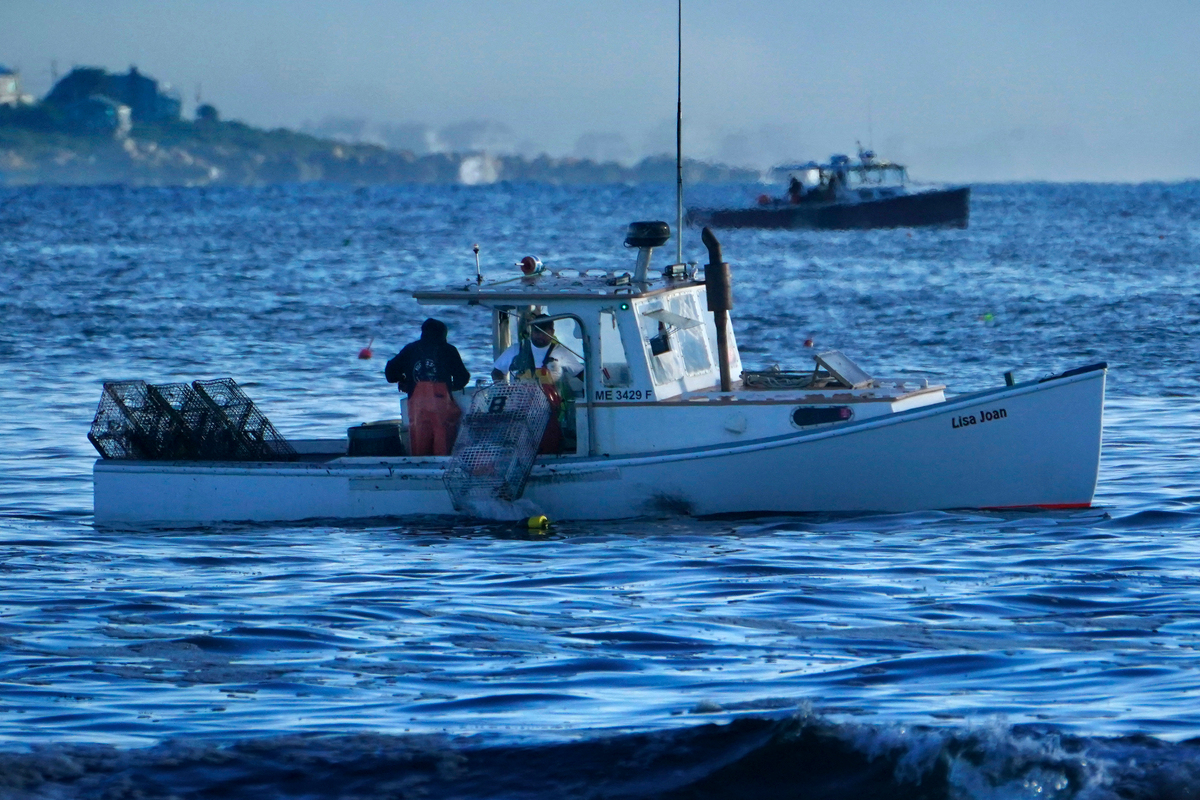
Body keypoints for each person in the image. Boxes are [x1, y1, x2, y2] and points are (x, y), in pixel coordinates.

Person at [491, 320, 584, 453]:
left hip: (551, 407)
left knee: (550, 440)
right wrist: (503, 391)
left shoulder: (561, 352)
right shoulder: (516, 350)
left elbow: (580, 373)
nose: (540, 335)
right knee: (519, 440)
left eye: (545, 331)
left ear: (552, 332)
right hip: (520, 408)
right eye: (537, 331)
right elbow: (497, 372)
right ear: (531, 332)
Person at [385, 318, 470, 456]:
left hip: (417, 406)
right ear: (443, 334)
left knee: (419, 445)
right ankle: (441, 471)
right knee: (443, 442)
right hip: (441, 403)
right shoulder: (449, 350)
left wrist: (403, 380)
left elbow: (390, 373)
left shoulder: (410, 349)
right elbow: (463, 377)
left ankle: (420, 470)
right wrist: (453, 387)